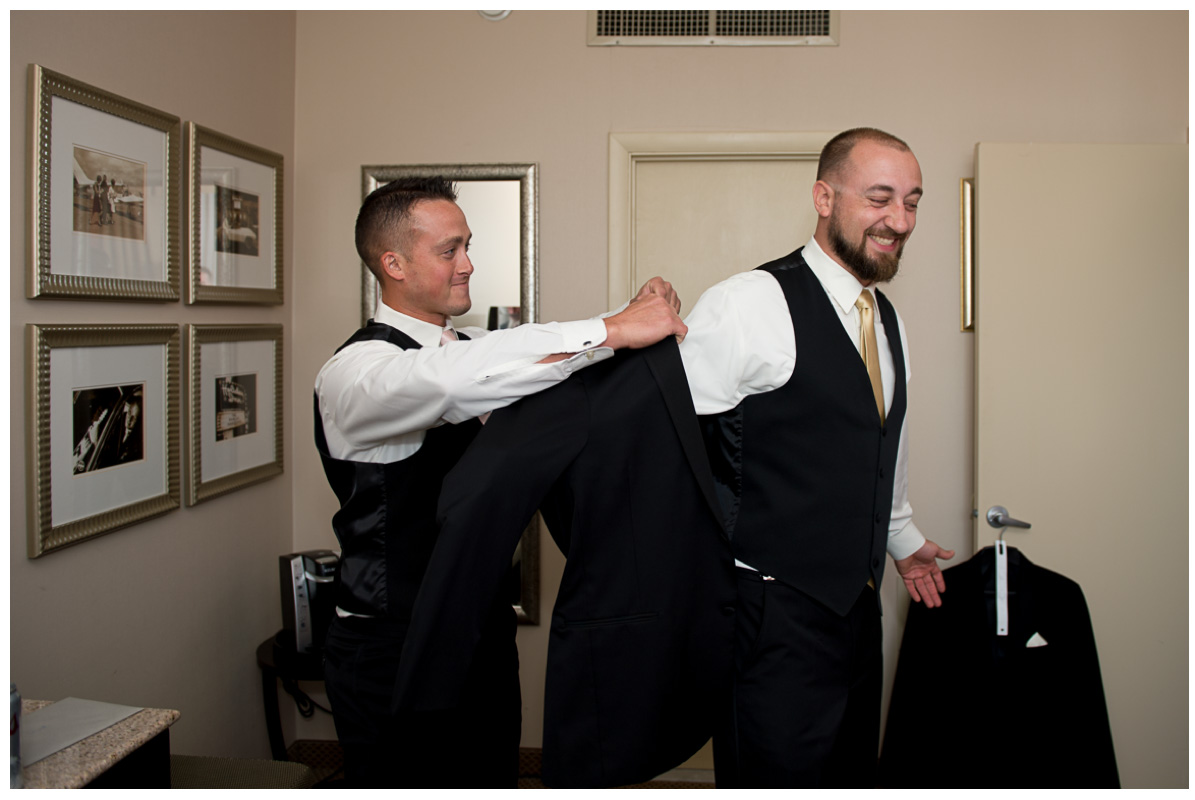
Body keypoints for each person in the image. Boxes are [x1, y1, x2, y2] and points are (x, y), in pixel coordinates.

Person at [313, 176, 686, 788]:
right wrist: (612, 326)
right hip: (391, 646)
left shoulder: (473, 348)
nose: (468, 265)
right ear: (393, 264)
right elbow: (451, 380)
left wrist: (627, 322)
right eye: (449, 250)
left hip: (481, 636)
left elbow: (526, 362)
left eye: (468, 246)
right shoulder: (355, 375)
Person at [677, 127, 955, 787]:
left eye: (913, 202)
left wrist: (901, 537)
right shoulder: (748, 303)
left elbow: (882, 445)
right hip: (768, 615)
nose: (900, 220)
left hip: (859, 613)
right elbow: (672, 452)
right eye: (881, 198)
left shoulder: (887, 320)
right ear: (823, 197)